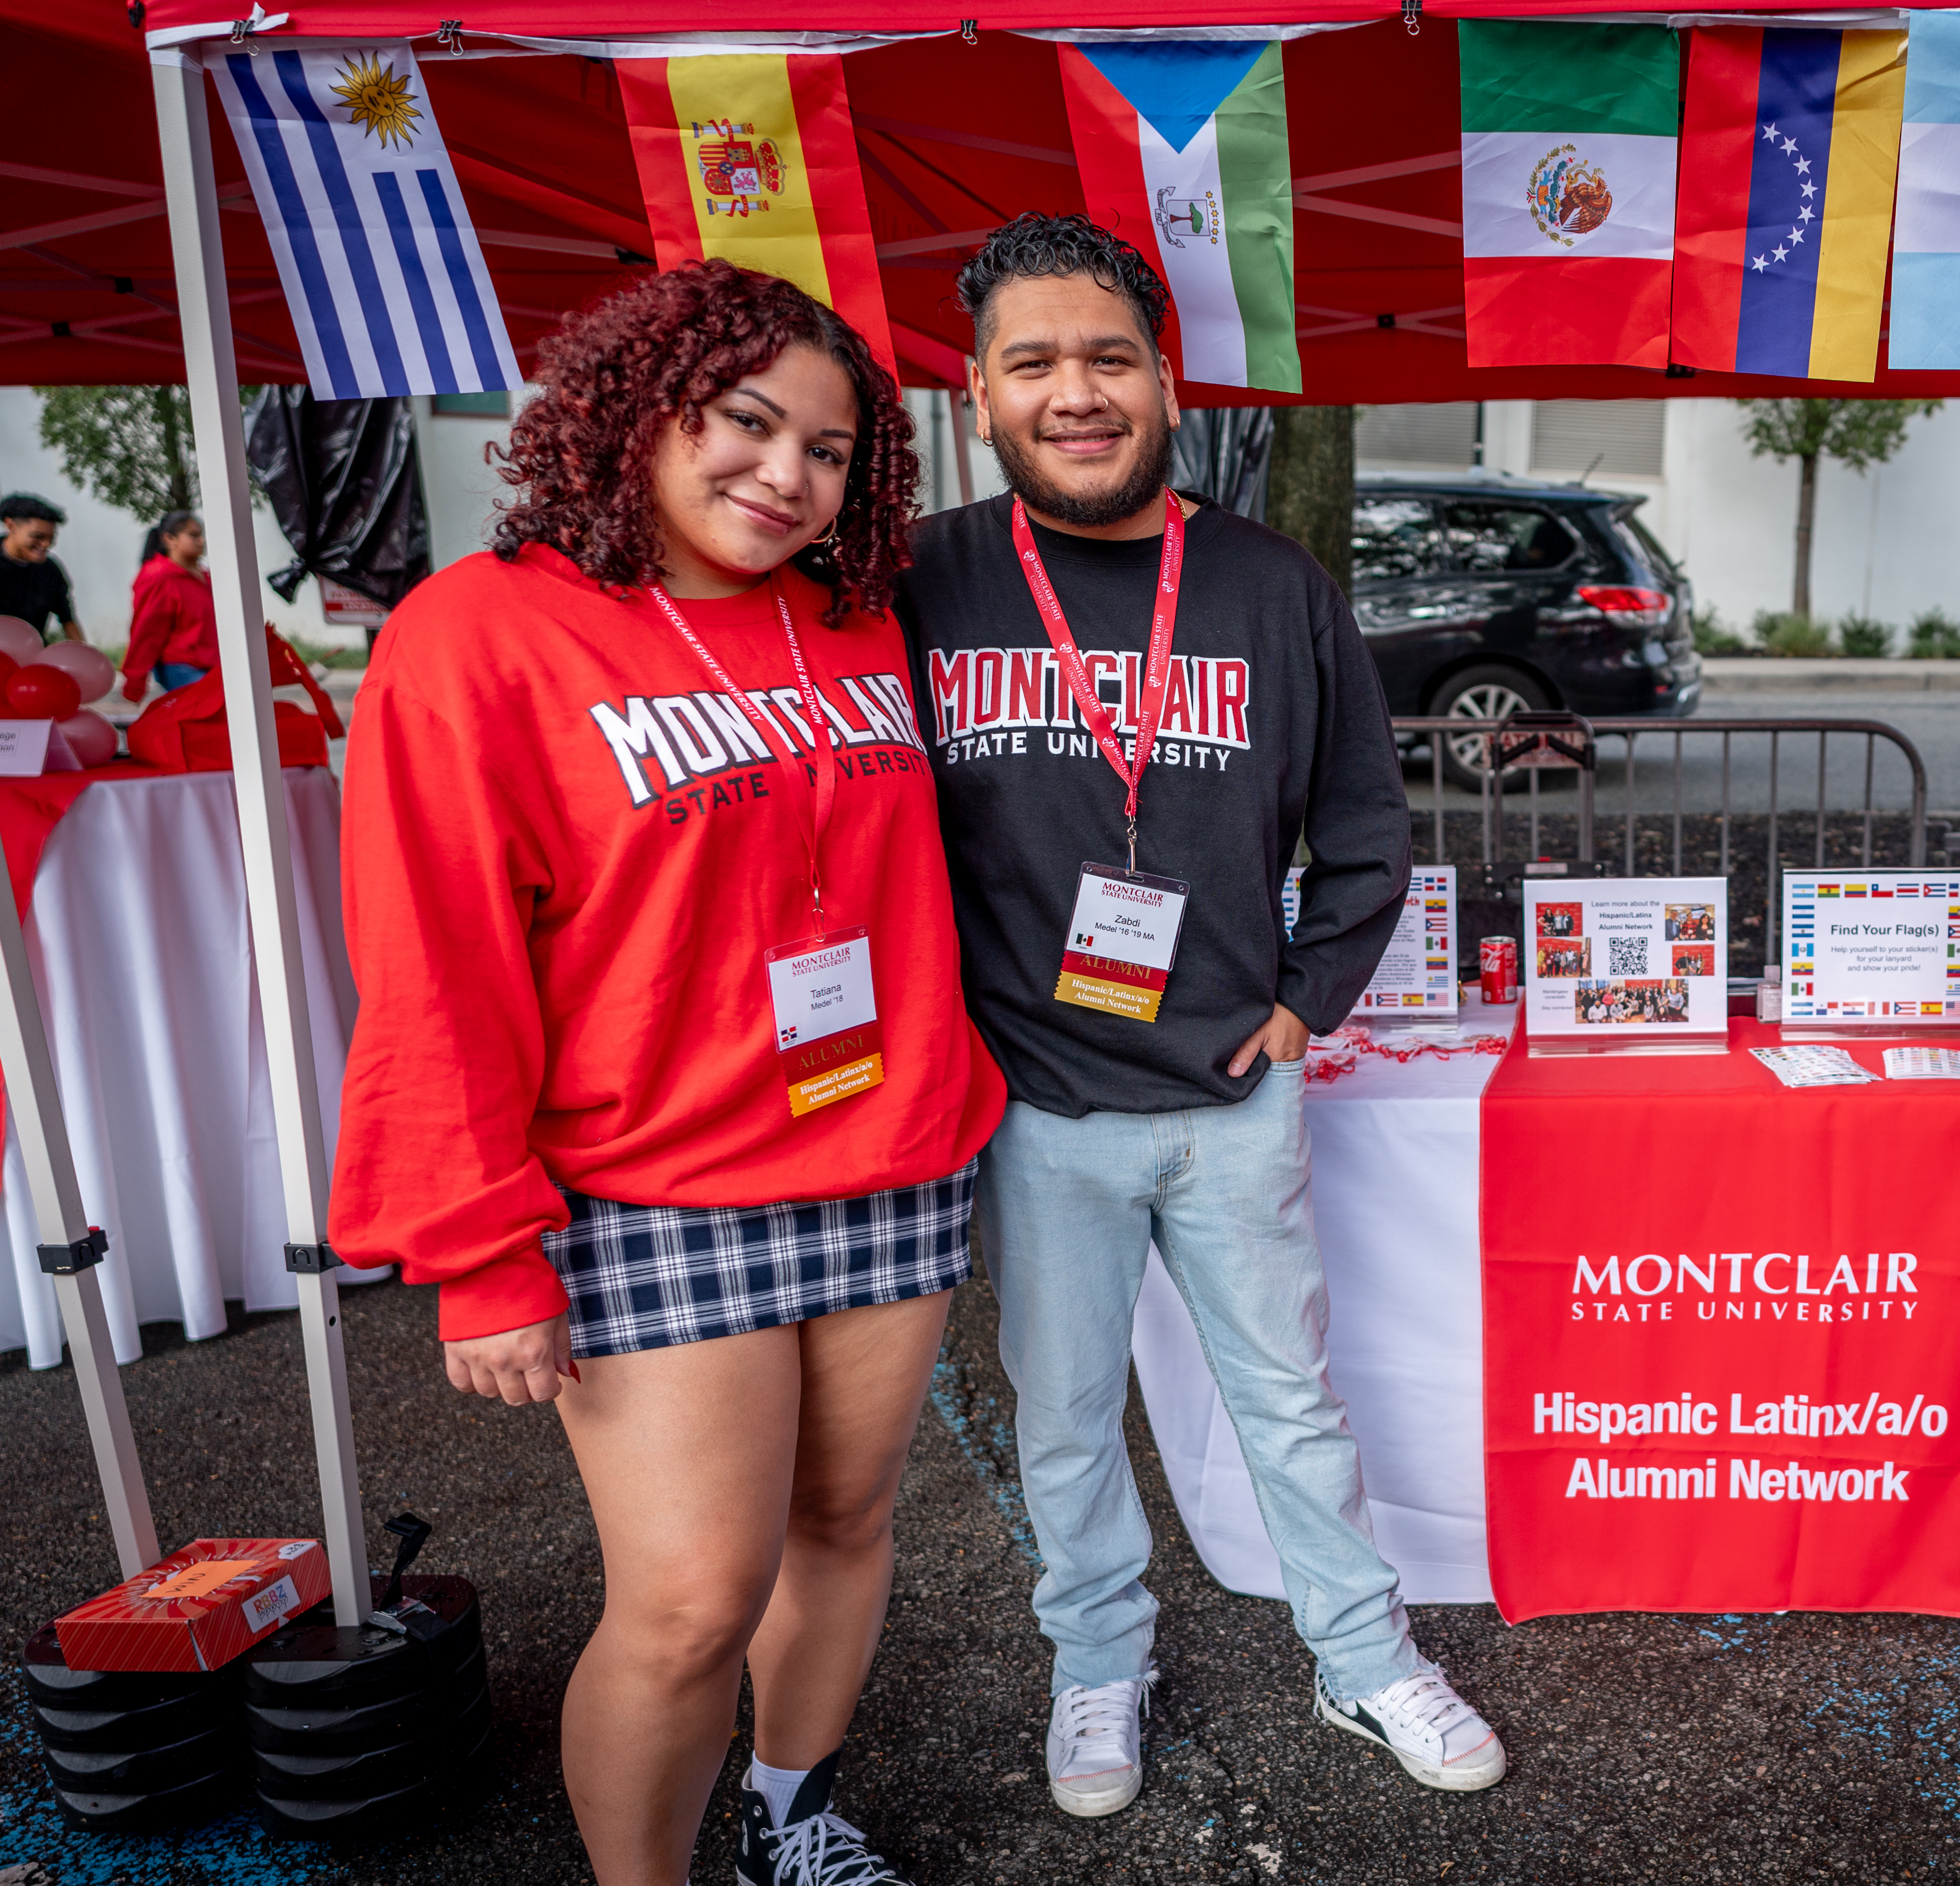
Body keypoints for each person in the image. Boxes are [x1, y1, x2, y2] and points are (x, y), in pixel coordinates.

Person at [331, 260, 1005, 1886]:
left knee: (842, 1529)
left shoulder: (854, 618)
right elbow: (433, 963)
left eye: (829, 451)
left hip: (890, 1151)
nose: (786, 474)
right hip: (651, 1185)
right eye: (746, 423)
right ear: (638, 406)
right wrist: (481, 1250)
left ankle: (792, 1818)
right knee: (692, 1599)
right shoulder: (479, 631)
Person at [895, 214, 1505, 1818]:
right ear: (977, 392)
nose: (1076, 392)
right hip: (1034, 1101)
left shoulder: (1269, 585)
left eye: (1109, 357)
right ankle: (1097, 1657)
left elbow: (1364, 826)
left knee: (1290, 1404)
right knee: (1063, 1418)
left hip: (1232, 1094)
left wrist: (1305, 1003)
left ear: (1165, 381)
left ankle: (1360, 1652)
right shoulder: (920, 581)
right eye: (1034, 361)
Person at [121, 510, 216, 700]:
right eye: (194, 535)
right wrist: (135, 682)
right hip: (182, 667)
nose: (201, 541)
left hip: (212, 665)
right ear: (170, 539)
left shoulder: (206, 577)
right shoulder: (159, 576)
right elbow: (147, 632)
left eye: (201, 535)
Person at [0, 493, 81, 639]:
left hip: (31, 651)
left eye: (51, 539)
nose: (46, 545)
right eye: (38, 537)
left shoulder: (50, 571)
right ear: (11, 526)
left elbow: (68, 620)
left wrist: (84, 652)